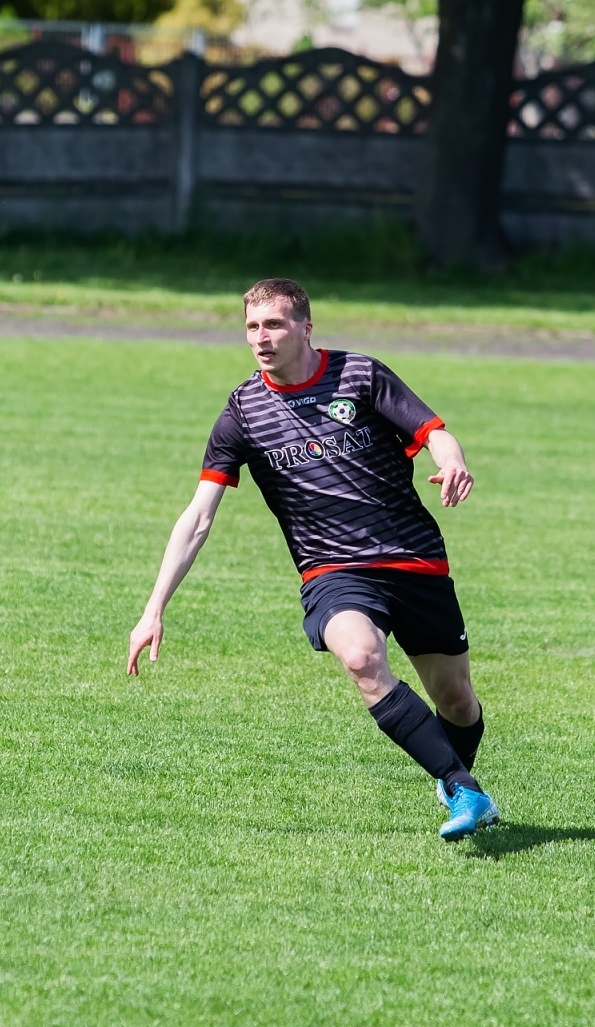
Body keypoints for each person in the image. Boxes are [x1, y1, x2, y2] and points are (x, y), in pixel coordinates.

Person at [126, 278, 499, 840]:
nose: (261, 338)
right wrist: (153, 607)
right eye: (251, 327)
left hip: (412, 557)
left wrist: (455, 462)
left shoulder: (361, 375)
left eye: (273, 324)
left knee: (457, 699)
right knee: (360, 657)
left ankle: (455, 775)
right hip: (332, 569)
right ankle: (465, 791)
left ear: (305, 327)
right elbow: (199, 516)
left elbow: (435, 433)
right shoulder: (244, 411)